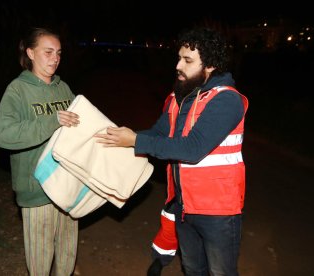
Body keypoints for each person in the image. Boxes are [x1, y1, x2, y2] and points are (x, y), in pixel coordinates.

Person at [95, 27, 249, 275]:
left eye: (187, 60)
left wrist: (135, 141)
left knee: (221, 272)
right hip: (183, 205)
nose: (178, 65)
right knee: (192, 267)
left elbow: (193, 148)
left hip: (217, 210)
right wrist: (115, 136)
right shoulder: (178, 97)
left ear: (209, 65)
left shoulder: (226, 100)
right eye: (178, 57)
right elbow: (157, 133)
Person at [0, 27, 80, 276]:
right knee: (41, 262)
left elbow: (80, 123)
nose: (55, 58)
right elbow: (4, 134)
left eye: (59, 53)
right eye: (48, 52)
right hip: (37, 188)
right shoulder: (18, 90)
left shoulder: (63, 89)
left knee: (67, 253)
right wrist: (52, 121)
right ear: (30, 53)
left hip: (68, 185)